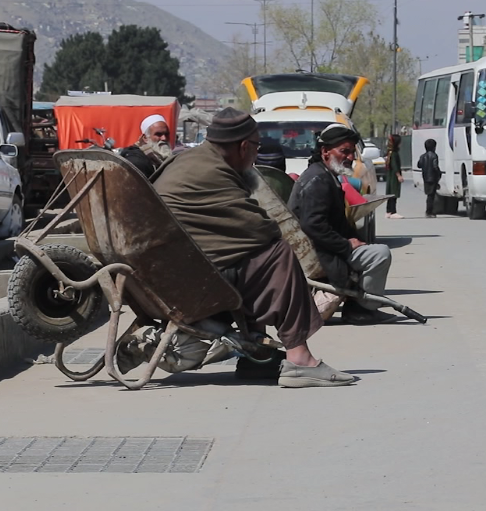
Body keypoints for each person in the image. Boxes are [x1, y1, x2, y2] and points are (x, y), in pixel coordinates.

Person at [151, 108, 354, 388]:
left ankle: (257, 356)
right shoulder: (214, 171)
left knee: (254, 255)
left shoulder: (190, 160)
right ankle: (300, 359)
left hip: (169, 270)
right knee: (278, 254)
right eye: (256, 146)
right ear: (244, 146)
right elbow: (259, 228)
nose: (256, 154)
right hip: (189, 281)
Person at [289, 123, 395, 325]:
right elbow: (313, 225)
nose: (349, 157)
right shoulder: (318, 180)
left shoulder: (325, 176)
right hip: (321, 253)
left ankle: (359, 304)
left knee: (371, 248)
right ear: (325, 152)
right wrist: (346, 245)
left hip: (327, 248)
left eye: (352, 152)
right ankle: (362, 309)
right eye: (344, 152)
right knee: (380, 254)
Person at [417, 139, 442, 218]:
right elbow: (435, 167)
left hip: (425, 177)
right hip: (433, 178)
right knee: (431, 196)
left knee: (429, 195)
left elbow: (419, 165)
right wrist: (439, 173)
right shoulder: (434, 155)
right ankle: (429, 212)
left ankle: (429, 211)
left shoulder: (422, 156)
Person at [384, 134, 404, 218]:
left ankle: (388, 211)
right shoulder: (394, 154)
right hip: (393, 177)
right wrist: (399, 176)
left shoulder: (390, 153)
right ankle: (393, 212)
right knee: (393, 194)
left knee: (390, 194)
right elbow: (395, 166)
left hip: (390, 176)